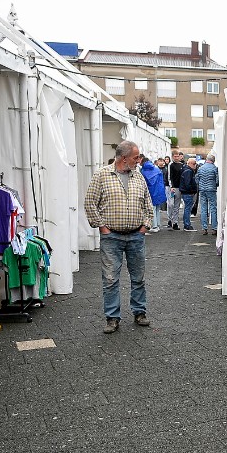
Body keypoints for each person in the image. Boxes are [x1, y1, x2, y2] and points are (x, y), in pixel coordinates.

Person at [84, 140, 152, 334]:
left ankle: (139, 312)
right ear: (124, 158)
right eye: (136, 157)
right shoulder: (102, 175)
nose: (139, 160)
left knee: (138, 277)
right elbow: (90, 203)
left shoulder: (138, 177)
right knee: (111, 279)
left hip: (136, 236)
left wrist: (144, 226)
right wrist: (102, 227)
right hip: (111, 237)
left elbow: (148, 205)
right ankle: (112, 317)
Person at [140, 157, 167, 232]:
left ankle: (154, 226)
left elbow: (144, 182)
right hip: (159, 190)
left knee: (152, 209)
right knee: (157, 208)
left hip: (151, 191)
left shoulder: (143, 170)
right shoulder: (156, 168)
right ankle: (158, 224)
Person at [195, 153, 219, 235]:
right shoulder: (214, 168)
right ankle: (214, 228)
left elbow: (197, 179)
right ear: (213, 160)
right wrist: (215, 185)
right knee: (213, 208)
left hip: (202, 190)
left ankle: (204, 228)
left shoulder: (200, 168)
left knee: (203, 208)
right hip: (211, 189)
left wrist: (201, 185)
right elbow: (217, 180)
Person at [179, 157, 198, 231]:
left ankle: (186, 224)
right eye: (194, 164)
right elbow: (188, 183)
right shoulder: (188, 171)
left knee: (187, 208)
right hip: (188, 193)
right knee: (188, 209)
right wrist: (192, 191)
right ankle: (187, 225)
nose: (195, 165)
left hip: (186, 192)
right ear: (190, 164)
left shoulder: (186, 170)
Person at [167, 150, 184, 230]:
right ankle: (170, 219)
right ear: (172, 156)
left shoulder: (181, 165)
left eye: (178, 156)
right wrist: (171, 186)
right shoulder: (171, 165)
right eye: (175, 156)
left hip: (179, 187)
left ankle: (175, 222)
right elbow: (170, 177)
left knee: (177, 205)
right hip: (172, 187)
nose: (177, 158)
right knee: (171, 204)